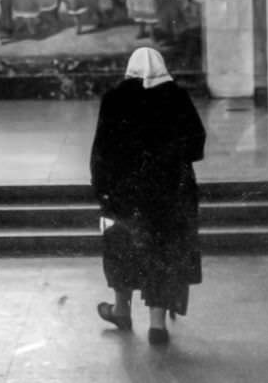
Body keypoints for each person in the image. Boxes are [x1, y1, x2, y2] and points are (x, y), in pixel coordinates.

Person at [90, 47, 206, 345]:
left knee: (121, 249)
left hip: (124, 196)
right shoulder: (176, 97)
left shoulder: (115, 98)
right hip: (169, 196)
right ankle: (157, 326)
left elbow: (101, 151)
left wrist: (102, 190)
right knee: (163, 253)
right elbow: (196, 144)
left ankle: (120, 311)